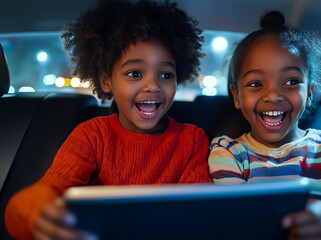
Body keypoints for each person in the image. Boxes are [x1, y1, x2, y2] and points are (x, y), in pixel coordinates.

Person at [5, 0, 210, 239]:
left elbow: (198, 213)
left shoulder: (193, 140)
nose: (153, 85)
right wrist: (37, 212)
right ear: (106, 81)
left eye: (166, 74)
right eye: (135, 73)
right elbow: (51, 187)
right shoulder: (92, 135)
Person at [208, 11, 321, 240]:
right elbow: (235, 221)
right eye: (256, 83)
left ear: (309, 93)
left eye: (291, 81)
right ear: (237, 95)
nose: (273, 95)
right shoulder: (228, 152)